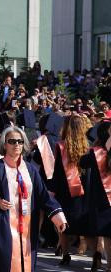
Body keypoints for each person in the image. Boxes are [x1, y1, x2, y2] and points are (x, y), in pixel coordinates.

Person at [0, 126, 68, 272]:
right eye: (12, 141)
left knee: (26, 264)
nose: (16, 144)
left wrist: (59, 218)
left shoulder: (31, 170)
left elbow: (43, 196)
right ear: (4, 144)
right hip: (2, 228)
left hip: (27, 229)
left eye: (20, 141)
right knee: (4, 263)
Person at [50, 115, 95, 266]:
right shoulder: (89, 145)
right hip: (85, 192)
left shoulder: (62, 146)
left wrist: (52, 191)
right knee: (85, 227)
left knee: (64, 225)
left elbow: (57, 172)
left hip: (66, 191)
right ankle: (96, 256)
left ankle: (65, 255)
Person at [79, 120, 111, 269]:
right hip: (106, 197)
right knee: (108, 233)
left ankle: (96, 255)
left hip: (99, 197)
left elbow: (82, 163)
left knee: (97, 231)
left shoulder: (96, 152)